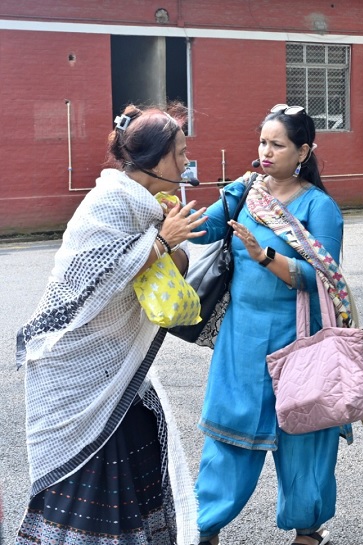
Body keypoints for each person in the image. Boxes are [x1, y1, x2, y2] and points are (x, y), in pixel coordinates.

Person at [14, 104, 207, 544]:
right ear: (155, 159)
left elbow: (167, 272)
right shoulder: (108, 203)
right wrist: (161, 241)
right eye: (179, 153)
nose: (186, 163)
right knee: (87, 476)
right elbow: (98, 282)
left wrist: (168, 242)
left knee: (136, 455)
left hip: (119, 373)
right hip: (73, 366)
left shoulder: (153, 208)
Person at [192, 104, 346, 545]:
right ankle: (205, 526)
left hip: (298, 338)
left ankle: (308, 530)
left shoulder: (319, 206)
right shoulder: (245, 192)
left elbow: (322, 277)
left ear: (303, 151)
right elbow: (205, 230)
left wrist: (265, 257)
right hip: (241, 339)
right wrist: (167, 213)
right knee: (228, 433)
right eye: (263, 142)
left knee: (303, 436)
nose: (266, 151)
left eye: (277, 144)